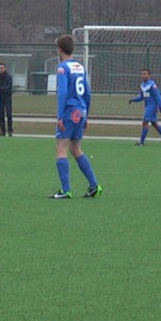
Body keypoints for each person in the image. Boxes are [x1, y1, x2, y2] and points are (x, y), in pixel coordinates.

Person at [50, 34, 102, 199]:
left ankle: (66, 190)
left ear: (60, 49)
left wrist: (60, 116)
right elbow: (88, 93)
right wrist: (86, 115)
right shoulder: (80, 67)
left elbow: (62, 93)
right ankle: (94, 186)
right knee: (76, 148)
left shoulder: (62, 68)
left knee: (61, 148)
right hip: (81, 111)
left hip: (69, 111)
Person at [129, 68, 161, 146]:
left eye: (145, 74)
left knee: (145, 122)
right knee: (154, 123)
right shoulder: (142, 85)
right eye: (142, 74)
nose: (143, 75)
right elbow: (142, 97)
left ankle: (141, 142)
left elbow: (158, 96)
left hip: (152, 106)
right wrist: (133, 99)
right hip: (148, 106)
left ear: (149, 75)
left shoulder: (152, 85)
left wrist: (160, 107)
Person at [0, 62, 14, 136]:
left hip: (7, 98)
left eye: (2, 68)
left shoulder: (9, 77)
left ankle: (10, 131)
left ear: (5, 68)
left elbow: (8, 87)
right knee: (1, 115)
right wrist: (0, 89)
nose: (0, 69)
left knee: (9, 115)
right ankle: (2, 131)